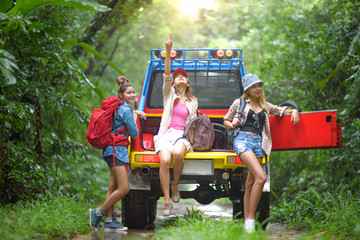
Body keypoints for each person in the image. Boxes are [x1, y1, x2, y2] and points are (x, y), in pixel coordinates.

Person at [223, 74, 300, 233]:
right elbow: (226, 120)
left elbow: (281, 110)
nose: (258, 89)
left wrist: (294, 111)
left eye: (259, 86)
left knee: (250, 184)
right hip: (243, 141)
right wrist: (233, 124)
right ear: (247, 90)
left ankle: (246, 223)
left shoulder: (265, 105)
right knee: (261, 177)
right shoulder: (239, 102)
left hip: (259, 144)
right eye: (254, 86)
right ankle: (250, 219)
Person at [89, 76, 146, 231]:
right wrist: (135, 116)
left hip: (110, 150)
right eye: (129, 93)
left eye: (134, 92)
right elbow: (134, 133)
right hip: (117, 152)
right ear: (121, 95)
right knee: (124, 188)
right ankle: (98, 212)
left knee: (113, 186)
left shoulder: (119, 107)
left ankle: (109, 220)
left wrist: (133, 112)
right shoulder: (126, 110)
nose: (133, 95)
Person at [153, 34, 198, 216]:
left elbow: (192, 124)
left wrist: (193, 144)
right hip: (166, 134)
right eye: (177, 76)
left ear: (187, 83)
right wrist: (169, 51)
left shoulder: (193, 101)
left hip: (182, 136)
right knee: (164, 160)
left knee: (178, 154)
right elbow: (166, 75)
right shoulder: (168, 95)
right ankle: (167, 201)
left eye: (183, 77)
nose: (179, 78)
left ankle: (175, 185)